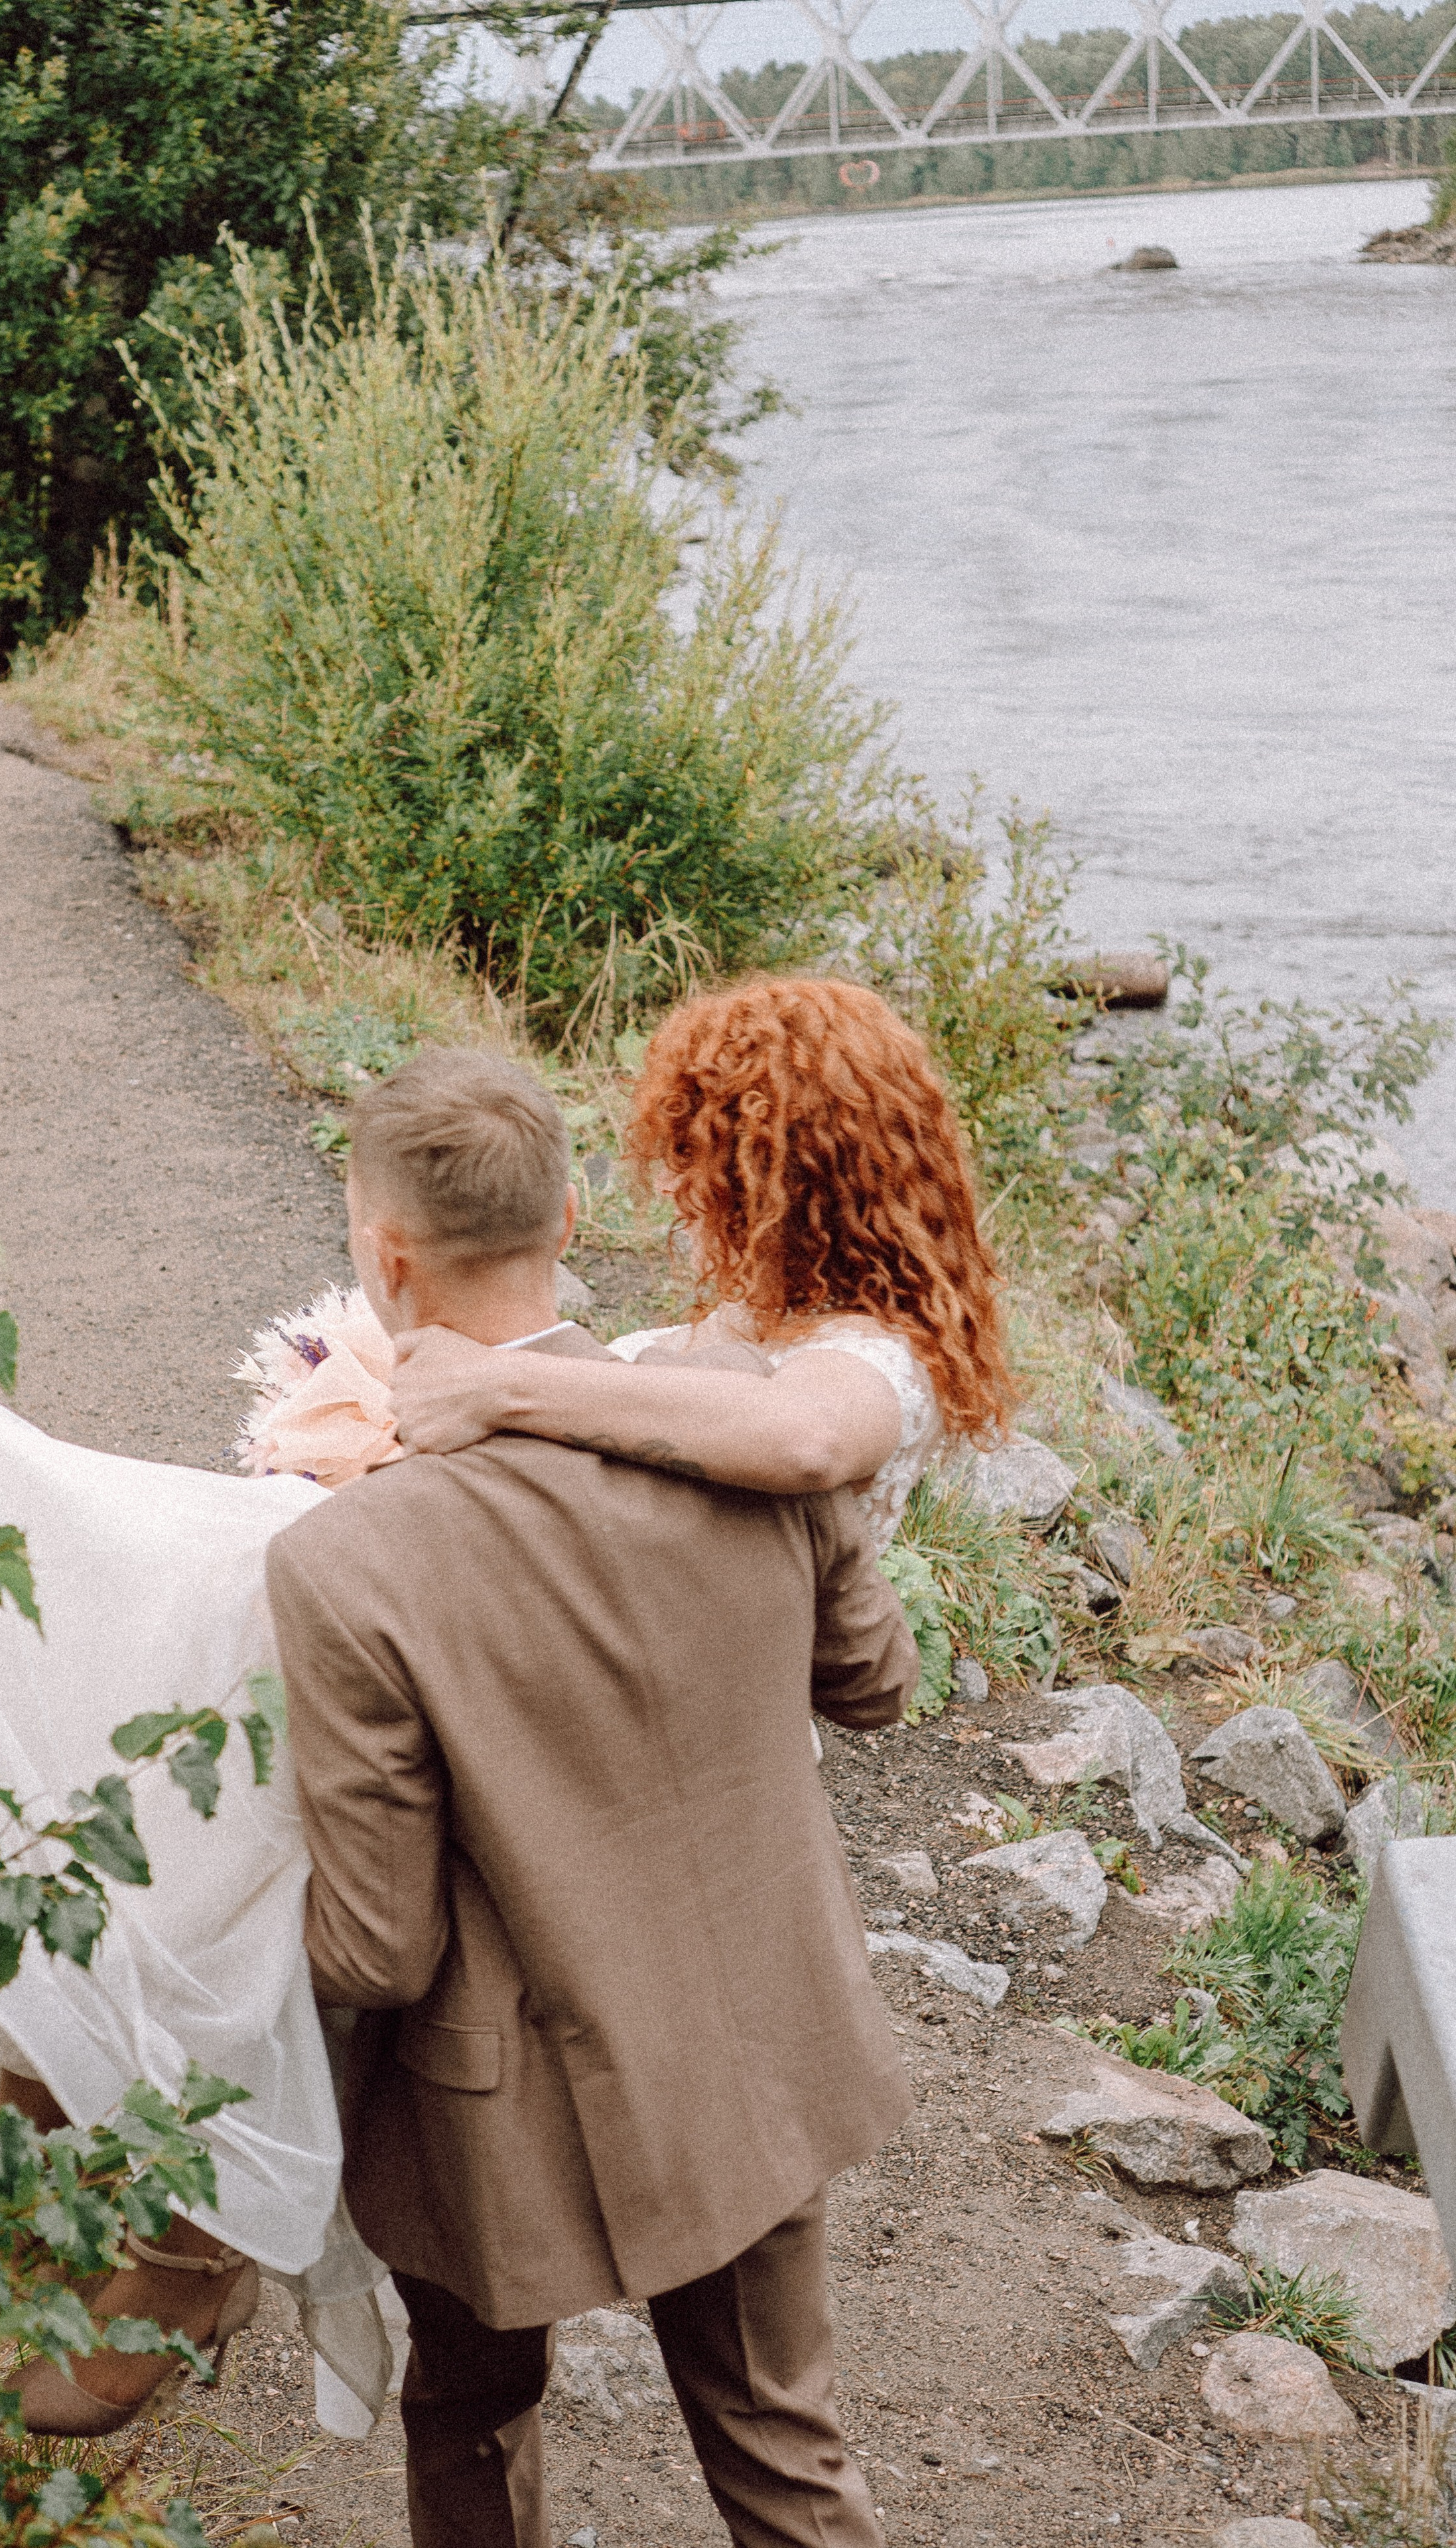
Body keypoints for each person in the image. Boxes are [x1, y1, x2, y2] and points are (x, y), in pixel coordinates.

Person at [267, 1046, 923, 2548]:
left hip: (496, 2112)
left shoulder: (345, 1559)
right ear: (570, 1211)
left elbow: (379, 1949)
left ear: (382, 1255)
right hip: (748, 2041)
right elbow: (870, 1681)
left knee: (471, 2417)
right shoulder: (729, 1402)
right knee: (780, 2446)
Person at [387, 974, 1018, 1545]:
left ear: (785, 1184)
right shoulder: (762, 1315)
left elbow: (807, 1441)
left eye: (693, 1157)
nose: (668, 1187)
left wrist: (499, 1385)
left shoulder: (879, 1357)